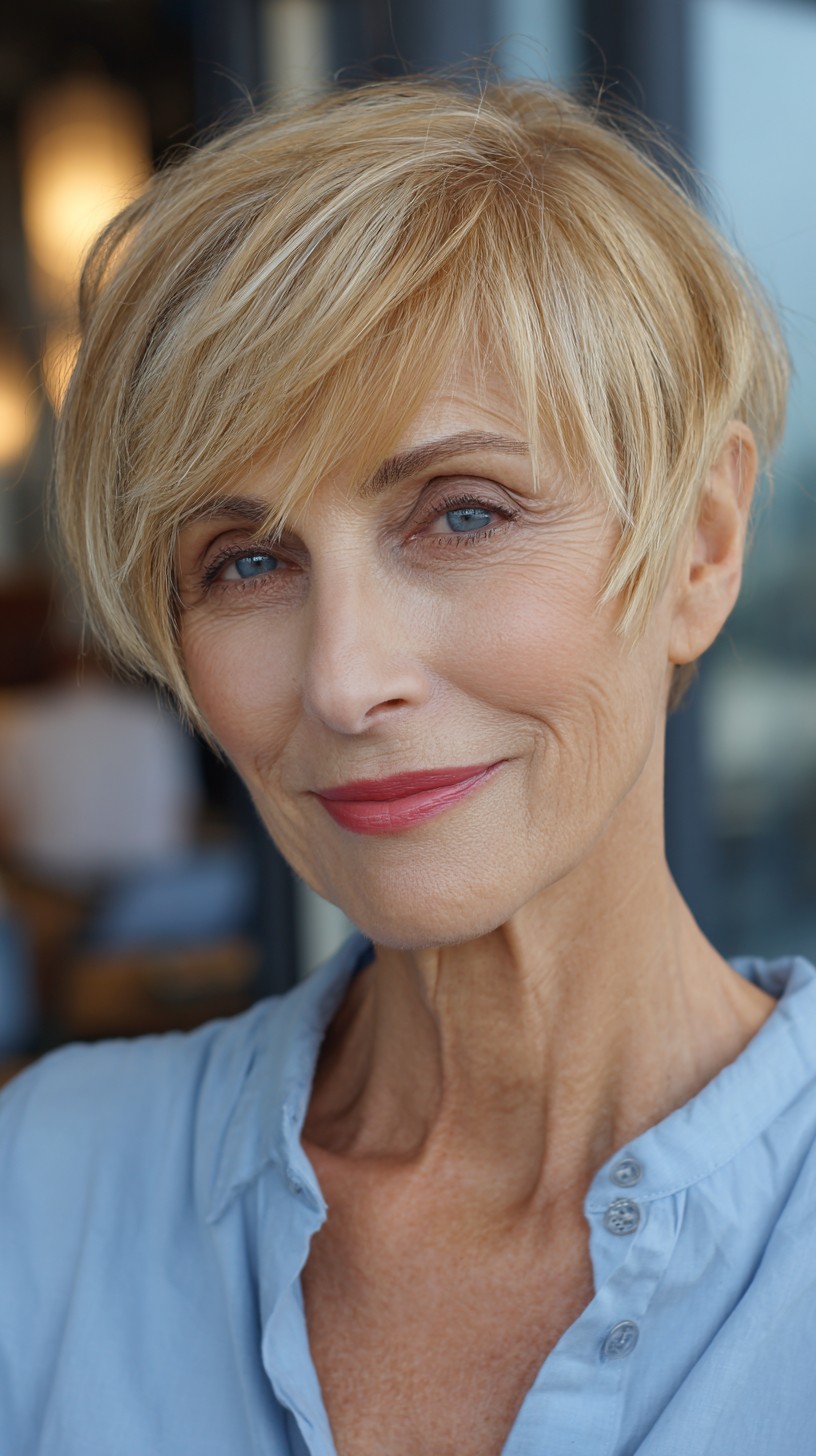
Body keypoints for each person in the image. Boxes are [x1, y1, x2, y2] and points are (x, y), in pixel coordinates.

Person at [0, 77, 809, 1456]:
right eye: (245, 561)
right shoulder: (48, 1191)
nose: (341, 677)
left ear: (703, 548)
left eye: (461, 515)